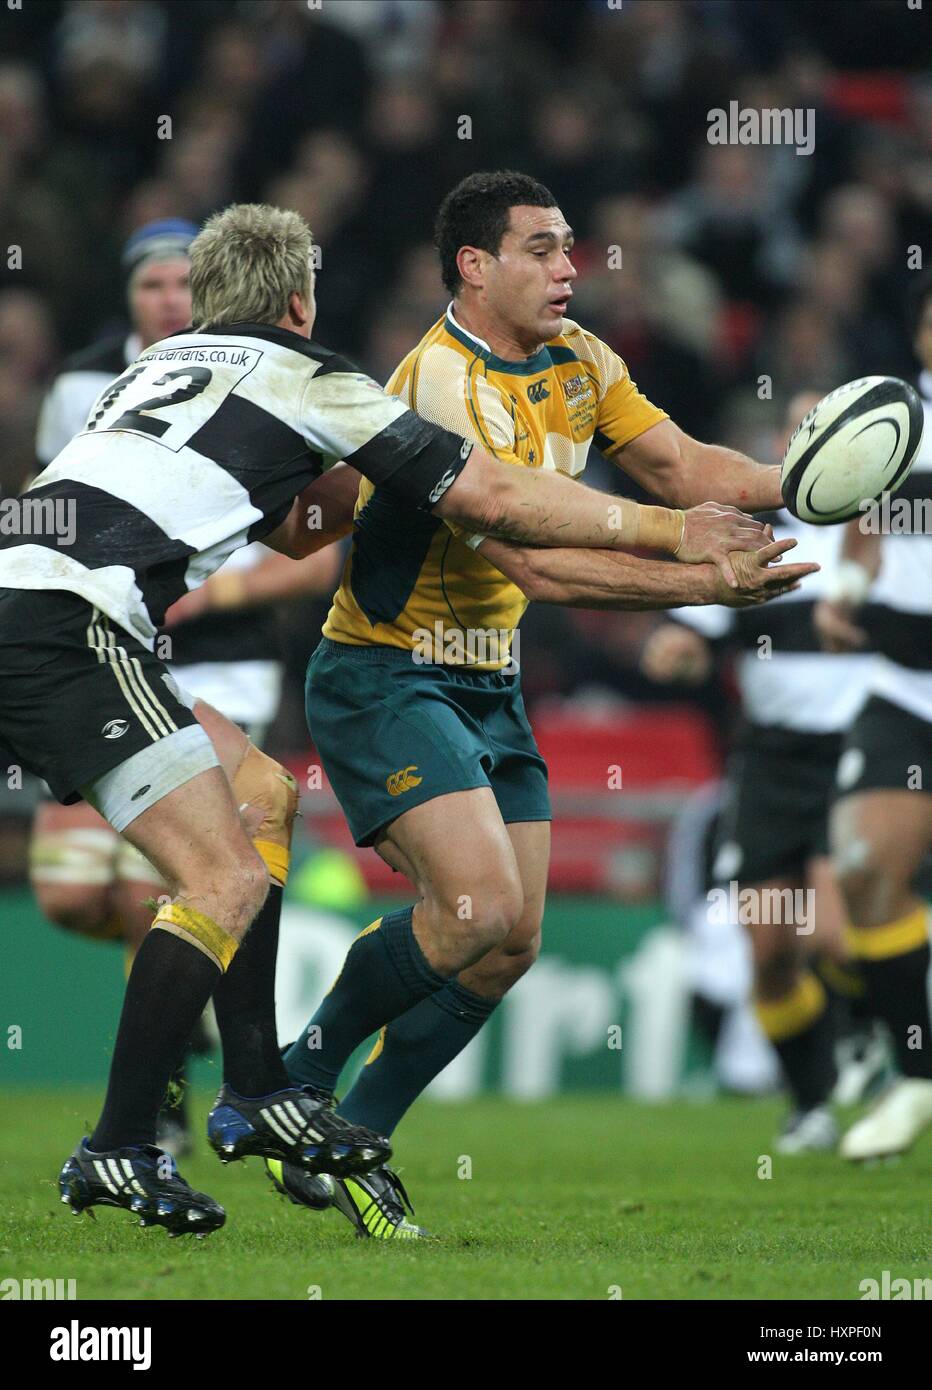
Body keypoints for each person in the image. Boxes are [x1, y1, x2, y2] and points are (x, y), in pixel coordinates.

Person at [0, 201, 775, 1236]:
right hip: (73, 621)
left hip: (42, 598)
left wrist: (367, 485)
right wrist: (676, 535)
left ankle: (257, 1086)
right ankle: (124, 1146)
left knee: (262, 796)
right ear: (299, 298)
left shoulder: (158, 370)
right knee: (221, 877)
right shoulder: (310, 375)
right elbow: (494, 500)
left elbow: (293, 527)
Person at [271, 171, 817, 1238]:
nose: (571, 268)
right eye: (542, 249)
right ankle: (300, 1075)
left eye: (569, 246)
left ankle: (352, 1141)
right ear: (474, 266)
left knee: (510, 942)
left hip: (488, 683)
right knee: (472, 906)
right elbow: (543, 568)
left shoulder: (581, 359)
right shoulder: (435, 382)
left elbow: (678, 464)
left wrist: (805, 474)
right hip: (386, 670)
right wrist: (702, 575)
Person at [27, 217, 341, 1156]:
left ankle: (169, 1110)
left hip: (218, 660)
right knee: (79, 892)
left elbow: (310, 552)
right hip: (86, 631)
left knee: (199, 861)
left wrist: (220, 592)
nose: (167, 300)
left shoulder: (269, 379)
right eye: (150, 286)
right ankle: (215, 1065)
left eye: (179, 284)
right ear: (132, 301)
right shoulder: (89, 387)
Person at [643, 390, 882, 1155]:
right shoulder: (757, 541)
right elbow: (693, 627)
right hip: (772, 762)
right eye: (805, 429)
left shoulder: (891, 545)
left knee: (837, 937)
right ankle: (810, 1103)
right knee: (771, 949)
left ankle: (867, 1036)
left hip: (857, 761)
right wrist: (677, 649)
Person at [814, 273, 932, 1159]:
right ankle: (917, 1078)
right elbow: (865, 520)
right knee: (863, 869)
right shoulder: (896, 420)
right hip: (904, 680)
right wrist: (848, 588)